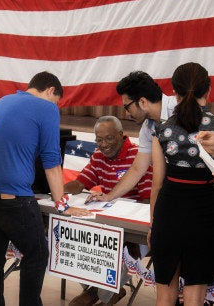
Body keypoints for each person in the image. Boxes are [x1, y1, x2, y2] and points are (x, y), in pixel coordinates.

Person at [0, 71, 91, 306]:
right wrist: (62, 205)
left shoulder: (4, 101)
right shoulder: (46, 108)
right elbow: (51, 161)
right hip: (11, 194)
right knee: (37, 253)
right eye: (56, 100)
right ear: (50, 90)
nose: (55, 106)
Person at [64, 116, 152, 306]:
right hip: (108, 224)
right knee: (76, 240)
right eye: (99, 140)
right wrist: (56, 190)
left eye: (109, 138)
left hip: (136, 231)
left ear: (121, 135)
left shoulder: (139, 156)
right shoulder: (98, 156)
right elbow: (80, 184)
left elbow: (147, 201)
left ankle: (100, 293)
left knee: (119, 248)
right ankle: (104, 291)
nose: (104, 145)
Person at [150, 62, 214, 306]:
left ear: (174, 93)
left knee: (164, 296)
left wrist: (153, 225)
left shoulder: (162, 129)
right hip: (205, 213)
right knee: (195, 298)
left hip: (168, 212)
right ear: (208, 91)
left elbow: (157, 184)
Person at [88, 71, 176, 203]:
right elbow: (137, 169)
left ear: (142, 102)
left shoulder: (180, 109)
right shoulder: (147, 128)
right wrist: (109, 196)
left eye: (127, 107)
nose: (127, 114)